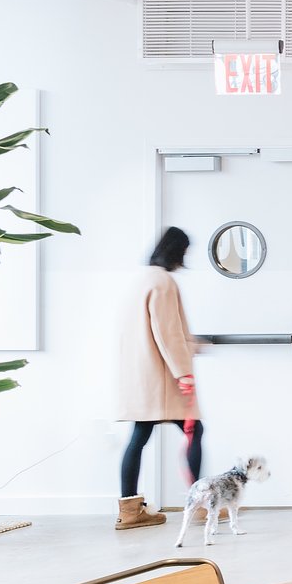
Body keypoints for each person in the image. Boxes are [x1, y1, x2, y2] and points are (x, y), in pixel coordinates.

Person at [113, 226, 203, 530]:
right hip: (163, 376)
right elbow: (168, 332)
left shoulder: (140, 279)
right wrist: (184, 373)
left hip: (141, 375)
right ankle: (199, 505)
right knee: (194, 430)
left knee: (139, 436)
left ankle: (129, 509)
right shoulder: (162, 281)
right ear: (178, 251)